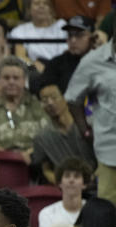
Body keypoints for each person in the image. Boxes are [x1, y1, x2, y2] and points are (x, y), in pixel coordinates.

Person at [66, 33, 116, 204]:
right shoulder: (92, 61)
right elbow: (73, 99)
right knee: (107, 211)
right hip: (110, 151)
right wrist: (85, 130)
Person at [0, 57, 50, 161]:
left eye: (16, 78)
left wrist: (29, 153)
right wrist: (8, 156)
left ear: (24, 80)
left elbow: (49, 138)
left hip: (33, 161)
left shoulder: (37, 105)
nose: (11, 82)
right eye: (6, 78)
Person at [33, 81, 96, 183]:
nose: (50, 103)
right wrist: (62, 183)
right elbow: (46, 170)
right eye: (44, 100)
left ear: (65, 98)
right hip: (65, 189)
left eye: (54, 97)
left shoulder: (88, 126)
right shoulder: (41, 138)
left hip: (96, 184)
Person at [41, 15, 99, 93]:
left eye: (79, 35)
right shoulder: (56, 63)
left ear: (92, 37)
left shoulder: (103, 62)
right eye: (70, 35)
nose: (73, 40)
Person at [10, 0, 67, 71]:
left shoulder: (63, 26)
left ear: (51, 8)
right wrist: (32, 64)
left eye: (45, 3)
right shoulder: (20, 31)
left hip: (61, 69)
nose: (41, 6)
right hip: (35, 71)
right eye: (37, 3)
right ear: (28, 9)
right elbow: (20, 56)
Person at [38, 157, 91, 227]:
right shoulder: (47, 214)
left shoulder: (93, 212)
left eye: (76, 176)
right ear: (60, 183)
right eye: (67, 176)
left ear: (84, 183)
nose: (71, 180)